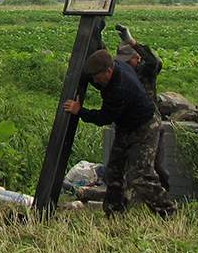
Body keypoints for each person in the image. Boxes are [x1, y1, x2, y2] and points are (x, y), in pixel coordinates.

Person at [63, 49, 175, 218]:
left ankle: (167, 211)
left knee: (140, 176)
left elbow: (104, 118)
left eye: (96, 77)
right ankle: (114, 212)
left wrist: (80, 111)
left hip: (145, 127)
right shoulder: (114, 68)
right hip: (126, 125)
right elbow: (95, 74)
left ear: (108, 71)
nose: (94, 81)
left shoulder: (120, 88)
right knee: (113, 172)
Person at [114, 23, 169, 190]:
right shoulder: (122, 72)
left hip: (149, 124)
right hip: (129, 125)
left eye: (128, 60)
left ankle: (164, 198)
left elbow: (154, 61)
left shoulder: (145, 71)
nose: (124, 64)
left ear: (137, 58)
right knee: (122, 168)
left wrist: (133, 43)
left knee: (155, 167)